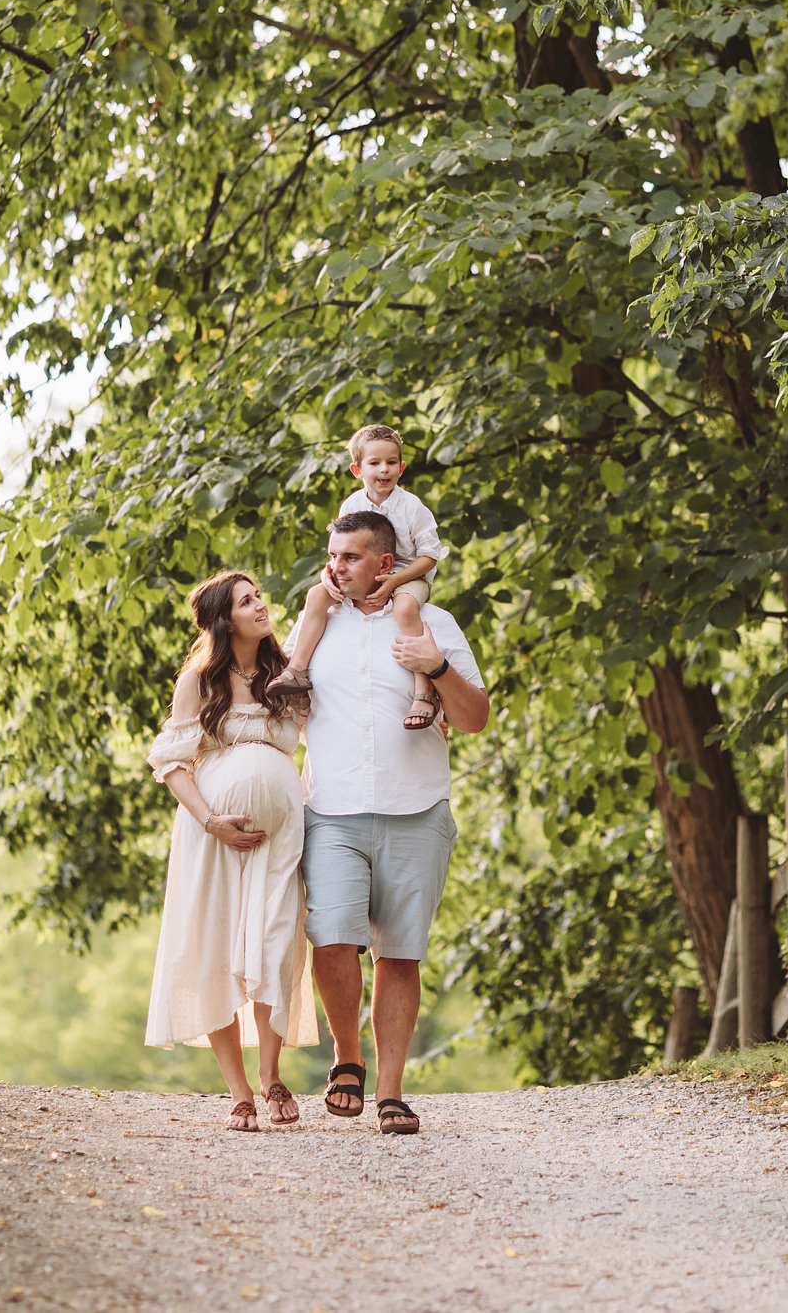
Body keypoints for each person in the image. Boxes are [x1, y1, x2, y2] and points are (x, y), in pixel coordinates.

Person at [300, 510, 489, 1135]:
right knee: (329, 937)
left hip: (416, 809)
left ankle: (390, 1093)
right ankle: (346, 1057)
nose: (336, 567)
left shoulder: (433, 622)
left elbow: (474, 718)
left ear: (386, 563)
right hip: (331, 810)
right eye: (333, 555)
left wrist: (435, 668)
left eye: (350, 557)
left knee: (399, 954)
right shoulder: (315, 624)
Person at [143, 571, 318, 1130]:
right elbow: (172, 763)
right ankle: (239, 1091)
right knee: (215, 949)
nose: (261, 605)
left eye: (259, 596)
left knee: (275, 943)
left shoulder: (285, 673)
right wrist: (212, 819)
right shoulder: (197, 683)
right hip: (213, 839)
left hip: (279, 842)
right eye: (247, 601)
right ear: (225, 619)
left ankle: (272, 1077)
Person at [281, 424, 448, 729]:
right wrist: (328, 572)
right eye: (374, 463)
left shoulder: (412, 507)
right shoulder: (352, 505)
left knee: (404, 608)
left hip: (408, 574)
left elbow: (429, 556)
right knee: (317, 594)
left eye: (391, 462)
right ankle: (297, 669)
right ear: (357, 470)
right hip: (363, 572)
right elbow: (342, 550)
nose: (384, 469)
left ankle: (423, 689)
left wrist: (396, 582)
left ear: (402, 467)